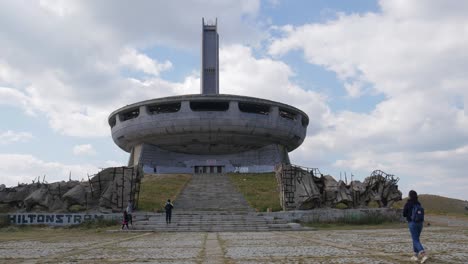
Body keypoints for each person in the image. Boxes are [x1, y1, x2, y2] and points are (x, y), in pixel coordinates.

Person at [403, 190, 428, 263]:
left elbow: (404, 214)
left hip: (412, 223)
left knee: (415, 239)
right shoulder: (418, 203)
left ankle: (423, 255)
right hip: (420, 223)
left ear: (409, 196)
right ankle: (415, 256)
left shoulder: (408, 203)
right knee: (416, 239)